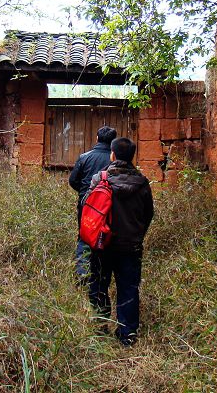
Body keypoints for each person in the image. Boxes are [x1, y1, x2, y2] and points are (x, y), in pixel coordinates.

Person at [87, 137, 154, 346]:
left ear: (113, 155)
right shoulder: (142, 183)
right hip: (131, 246)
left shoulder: (100, 179)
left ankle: (100, 326)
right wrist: (137, 235)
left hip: (102, 244)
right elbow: (148, 214)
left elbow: (87, 207)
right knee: (128, 288)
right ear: (132, 156)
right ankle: (128, 334)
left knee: (99, 285)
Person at [69, 125, 117, 283]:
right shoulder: (115, 161)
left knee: (85, 237)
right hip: (109, 207)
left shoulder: (85, 157)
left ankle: (82, 275)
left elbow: (73, 181)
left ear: (97, 138)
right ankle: (101, 276)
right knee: (106, 238)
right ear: (113, 141)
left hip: (87, 206)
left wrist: (86, 194)